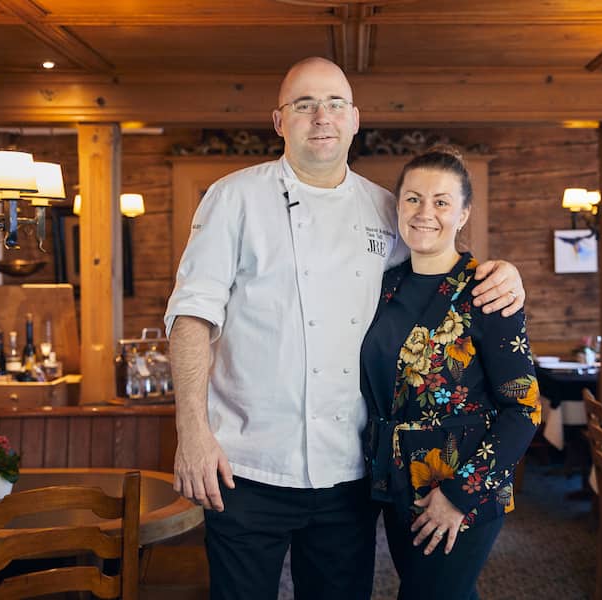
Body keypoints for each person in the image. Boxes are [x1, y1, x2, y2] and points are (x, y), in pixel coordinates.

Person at [164, 57, 526, 600]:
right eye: (304, 105)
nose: (321, 117)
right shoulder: (232, 198)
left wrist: (501, 272)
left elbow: (440, 266)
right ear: (279, 121)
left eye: (335, 104)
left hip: (350, 471)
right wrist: (192, 432)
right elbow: (193, 315)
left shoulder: (385, 208)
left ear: (355, 119)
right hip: (245, 463)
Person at [361, 147, 540, 600]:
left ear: (463, 214)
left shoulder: (487, 291)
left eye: (441, 202)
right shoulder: (383, 285)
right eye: (413, 199)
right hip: (395, 486)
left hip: (462, 490)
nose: (425, 212)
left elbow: (524, 409)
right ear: (397, 206)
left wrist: (459, 495)